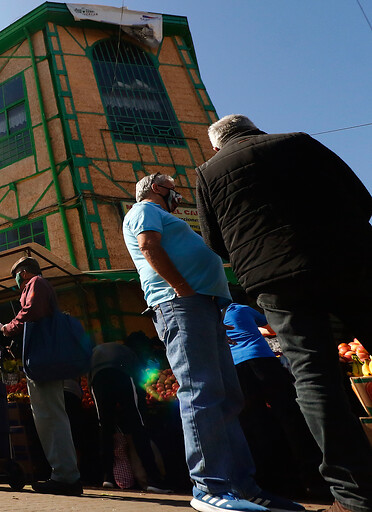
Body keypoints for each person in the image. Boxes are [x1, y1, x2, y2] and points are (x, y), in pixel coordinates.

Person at [196, 114, 372, 512]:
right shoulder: (297, 140)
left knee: (313, 376)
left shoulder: (209, 172)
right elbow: (360, 196)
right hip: (349, 258)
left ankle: (354, 494)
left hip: (276, 278)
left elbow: (214, 241)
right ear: (254, 128)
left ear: (216, 145)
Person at [122, 173, 302, 512]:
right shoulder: (144, 209)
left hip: (205, 306)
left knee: (228, 397)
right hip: (181, 305)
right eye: (170, 185)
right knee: (201, 392)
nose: (176, 191)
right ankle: (209, 488)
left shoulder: (166, 216)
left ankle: (243, 488)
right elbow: (149, 246)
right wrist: (183, 289)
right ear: (155, 189)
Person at [0, 256, 83, 496]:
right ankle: (64, 474)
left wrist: (9, 327)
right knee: (49, 417)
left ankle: (66, 477)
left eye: (15, 275)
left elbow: (30, 311)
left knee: (50, 417)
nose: (16, 281)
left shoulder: (36, 282)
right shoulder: (38, 287)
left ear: (23, 273)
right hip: (41, 362)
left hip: (44, 363)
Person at [223, 299, 323, 495]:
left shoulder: (213, 317)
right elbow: (271, 327)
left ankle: (271, 480)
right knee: (290, 415)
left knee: (256, 422)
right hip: (263, 361)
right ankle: (311, 475)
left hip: (236, 369)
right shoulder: (241, 309)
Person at [88, 342, 170, 493]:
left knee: (105, 427)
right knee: (137, 426)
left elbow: (90, 379)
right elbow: (139, 382)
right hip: (122, 373)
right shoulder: (129, 353)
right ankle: (153, 479)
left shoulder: (96, 353)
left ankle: (108, 478)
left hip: (98, 377)